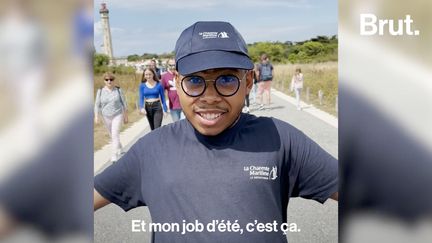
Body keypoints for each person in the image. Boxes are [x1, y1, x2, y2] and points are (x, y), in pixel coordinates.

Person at [94, 21, 338, 242]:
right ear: (176, 82)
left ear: (248, 83)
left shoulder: (280, 139)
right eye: (194, 81)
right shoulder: (151, 150)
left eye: (226, 80)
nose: (210, 97)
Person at [94, 72, 128, 162]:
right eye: (107, 79)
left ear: (114, 80)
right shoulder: (100, 90)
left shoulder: (118, 90)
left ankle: (113, 155)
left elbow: (124, 103)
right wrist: (96, 116)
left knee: (115, 134)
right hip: (105, 116)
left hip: (117, 114)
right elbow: (97, 104)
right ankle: (119, 146)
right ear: (104, 81)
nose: (109, 81)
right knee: (112, 135)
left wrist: (125, 116)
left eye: (111, 79)